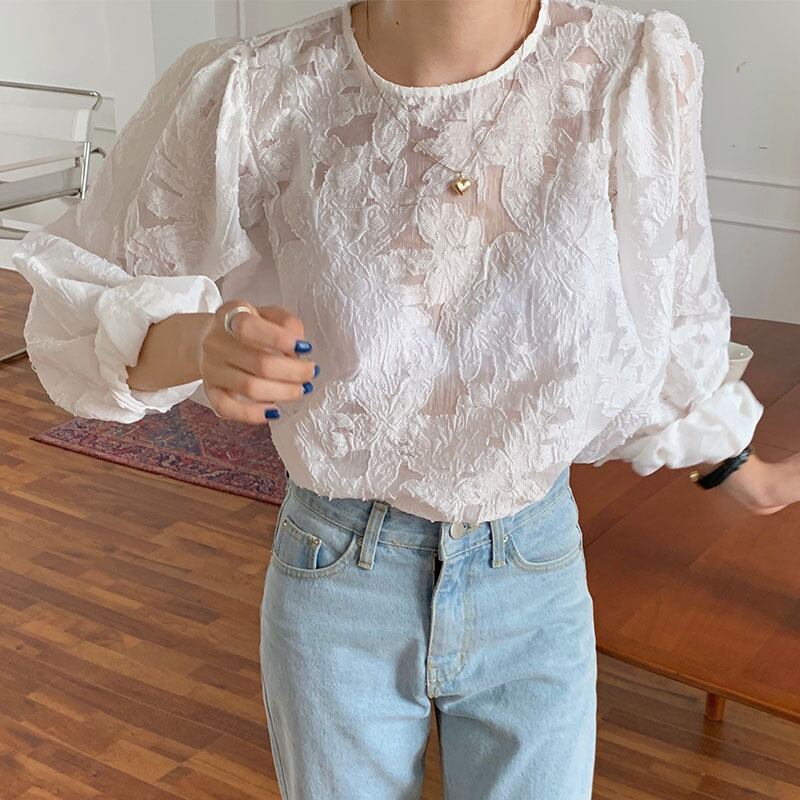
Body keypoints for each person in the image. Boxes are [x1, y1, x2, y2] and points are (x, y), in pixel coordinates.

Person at [13, 0, 800, 797]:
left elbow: (675, 321)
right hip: (337, 572)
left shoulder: (632, 71)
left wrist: (751, 473)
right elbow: (84, 306)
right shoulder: (261, 91)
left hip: (532, 570)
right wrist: (202, 344)